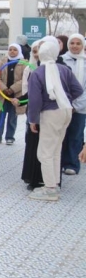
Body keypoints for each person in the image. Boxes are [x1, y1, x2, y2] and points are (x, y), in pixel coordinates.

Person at [26, 38, 83, 201]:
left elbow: (34, 100)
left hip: (50, 113)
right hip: (66, 110)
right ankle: (54, 184)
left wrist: (33, 120)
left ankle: (49, 188)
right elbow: (78, 89)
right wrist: (65, 98)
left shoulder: (37, 73)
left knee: (44, 152)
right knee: (56, 149)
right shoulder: (64, 69)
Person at [0, 43, 28, 145]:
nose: (12, 51)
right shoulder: (2, 62)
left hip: (16, 96)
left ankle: (10, 137)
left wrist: (12, 89)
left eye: (15, 50)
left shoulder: (24, 63)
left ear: (19, 51)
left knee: (12, 117)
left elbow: (25, 79)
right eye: (10, 49)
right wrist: (4, 88)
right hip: (2, 95)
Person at [60, 33, 86, 175]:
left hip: (81, 108)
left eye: (78, 43)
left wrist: (76, 106)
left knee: (76, 135)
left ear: (83, 45)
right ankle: (60, 162)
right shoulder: (62, 60)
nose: (75, 46)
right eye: (72, 43)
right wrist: (66, 104)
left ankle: (72, 164)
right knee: (61, 135)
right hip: (62, 106)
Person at [21, 40, 44, 190]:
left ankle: (47, 180)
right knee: (32, 143)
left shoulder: (57, 68)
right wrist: (21, 100)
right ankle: (32, 177)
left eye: (40, 51)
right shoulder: (29, 69)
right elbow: (28, 91)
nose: (37, 54)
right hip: (33, 111)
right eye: (35, 51)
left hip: (48, 113)